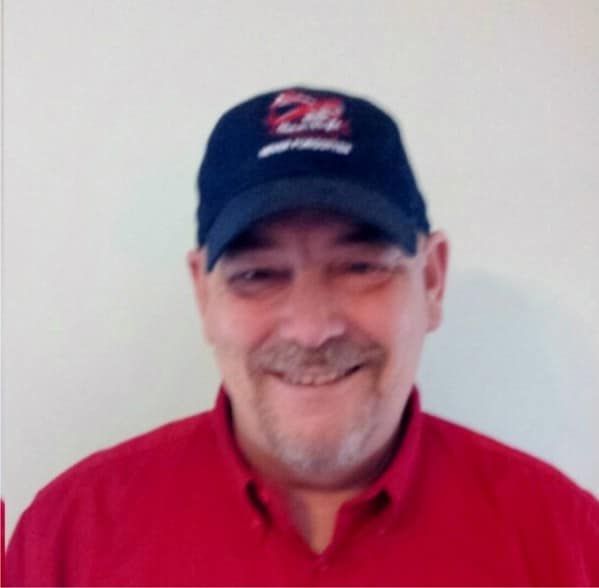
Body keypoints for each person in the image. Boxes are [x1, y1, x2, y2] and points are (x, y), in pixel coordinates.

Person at [6, 87, 599, 586]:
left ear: (433, 280)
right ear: (203, 294)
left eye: (361, 267)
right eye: (257, 275)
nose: (312, 329)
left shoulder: (569, 544)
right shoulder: (68, 539)